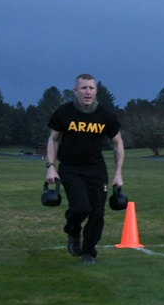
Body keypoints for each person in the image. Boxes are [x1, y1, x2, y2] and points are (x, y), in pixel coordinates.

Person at [45, 74, 124, 264]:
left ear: (96, 90)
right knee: (81, 207)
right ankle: (72, 231)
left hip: (96, 170)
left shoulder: (105, 115)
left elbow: (118, 143)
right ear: (76, 91)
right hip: (71, 169)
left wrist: (118, 173)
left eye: (91, 88)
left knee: (97, 213)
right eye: (83, 88)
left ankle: (89, 252)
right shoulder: (64, 113)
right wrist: (51, 167)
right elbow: (53, 139)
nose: (87, 92)